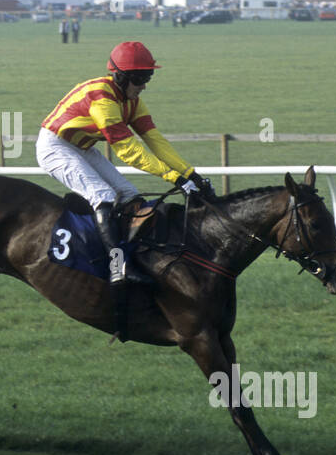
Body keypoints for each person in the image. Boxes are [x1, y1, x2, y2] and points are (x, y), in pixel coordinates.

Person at [37, 41, 214, 285]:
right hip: (55, 147)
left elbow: (155, 140)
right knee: (104, 195)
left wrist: (190, 174)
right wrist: (174, 178)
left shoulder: (131, 100)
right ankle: (117, 267)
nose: (144, 86)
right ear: (120, 77)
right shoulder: (103, 100)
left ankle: (134, 254)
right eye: (140, 78)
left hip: (82, 147)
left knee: (129, 193)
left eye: (148, 78)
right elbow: (129, 151)